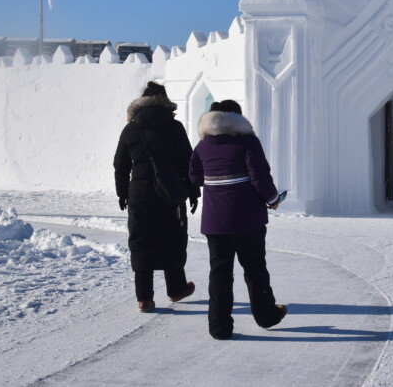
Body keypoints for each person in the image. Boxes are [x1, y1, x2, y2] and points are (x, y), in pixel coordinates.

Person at [189, 99, 287, 340]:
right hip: (247, 220)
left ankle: (219, 328)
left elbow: (194, 177)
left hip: (215, 221)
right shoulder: (247, 141)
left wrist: (215, 183)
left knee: (220, 273)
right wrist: (273, 199)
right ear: (238, 119)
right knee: (254, 269)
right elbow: (260, 177)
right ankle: (266, 316)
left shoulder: (203, 145)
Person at [114, 82, 199, 312]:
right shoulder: (174, 127)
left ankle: (144, 298)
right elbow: (187, 162)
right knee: (172, 238)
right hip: (170, 193)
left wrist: (122, 192)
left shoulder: (131, 129)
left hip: (140, 195)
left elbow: (120, 164)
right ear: (164, 101)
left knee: (141, 241)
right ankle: (176, 288)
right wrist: (193, 192)